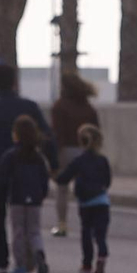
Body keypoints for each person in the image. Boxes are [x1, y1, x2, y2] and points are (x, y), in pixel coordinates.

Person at [0, 64, 54, 273]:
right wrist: (53, 164)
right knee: (28, 224)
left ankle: (2, 262)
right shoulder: (29, 107)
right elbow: (48, 137)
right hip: (26, 171)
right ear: (14, 82)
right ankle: (29, 258)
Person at [0, 115, 52, 273]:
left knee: (18, 232)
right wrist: (42, 194)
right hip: (34, 199)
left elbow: (2, 178)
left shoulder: (11, 156)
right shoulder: (38, 157)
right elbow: (44, 179)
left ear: (16, 134)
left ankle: (20, 266)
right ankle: (39, 252)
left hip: (17, 199)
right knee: (34, 231)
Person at [57, 123, 113, 273]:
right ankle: (101, 256)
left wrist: (53, 174)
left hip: (85, 203)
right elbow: (108, 182)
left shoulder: (79, 161)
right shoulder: (103, 160)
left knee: (86, 232)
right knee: (100, 234)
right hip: (102, 202)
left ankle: (87, 264)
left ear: (81, 141)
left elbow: (64, 178)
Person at [50, 73, 101, 238]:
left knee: (62, 189)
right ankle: (90, 223)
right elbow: (96, 130)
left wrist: (54, 158)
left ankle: (62, 224)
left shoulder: (59, 106)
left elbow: (57, 133)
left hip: (66, 150)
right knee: (87, 188)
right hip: (85, 150)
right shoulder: (88, 108)